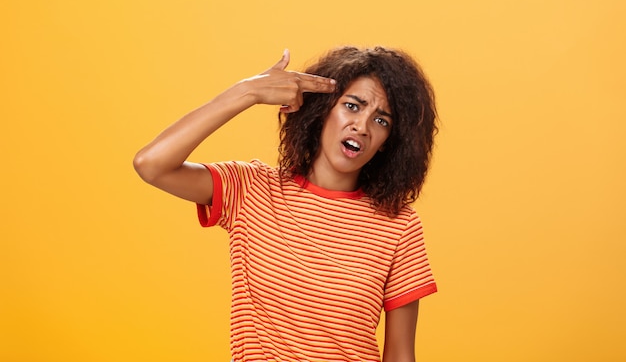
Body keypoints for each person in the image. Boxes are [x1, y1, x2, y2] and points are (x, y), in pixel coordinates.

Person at [133, 46, 438, 362]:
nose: (362, 126)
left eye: (381, 120)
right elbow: (151, 164)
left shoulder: (399, 224)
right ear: (322, 110)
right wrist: (248, 91)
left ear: (390, 142)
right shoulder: (251, 189)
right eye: (352, 106)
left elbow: (401, 355)